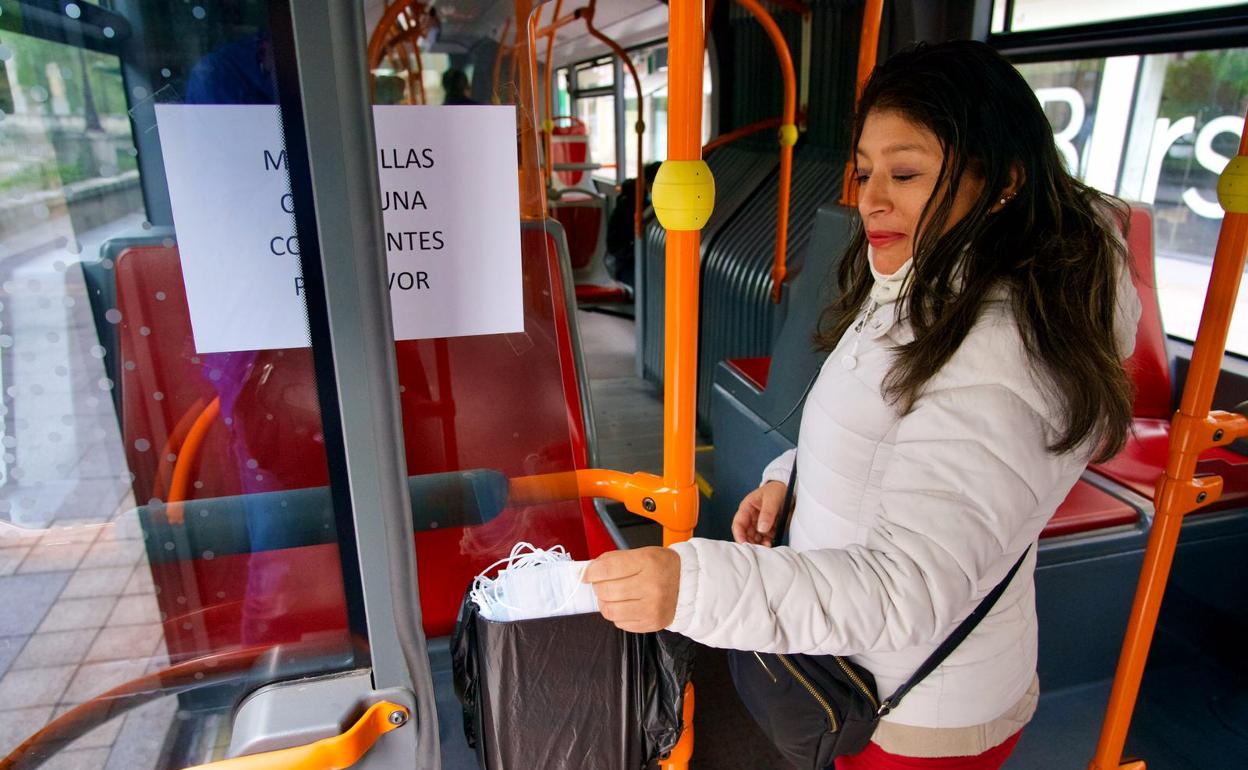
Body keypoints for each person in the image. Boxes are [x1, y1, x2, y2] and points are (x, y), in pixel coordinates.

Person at [583, 39, 1141, 768]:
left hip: (917, 710)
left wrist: (690, 584)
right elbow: (886, 425)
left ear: (1001, 182)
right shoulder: (930, 278)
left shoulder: (1004, 351)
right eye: (867, 171)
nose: (872, 197)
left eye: (905, 172)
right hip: (865, 672)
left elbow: (905, 585)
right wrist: (794, 474)